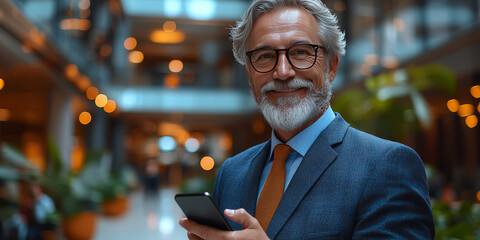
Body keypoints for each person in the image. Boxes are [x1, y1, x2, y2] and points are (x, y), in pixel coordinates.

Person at [179, 0, 435, 239]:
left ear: (331, 66)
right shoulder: (232, 172)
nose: (282, 71)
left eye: (301, 52)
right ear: (249, 74)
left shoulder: (387, 166)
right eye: (265, 56)